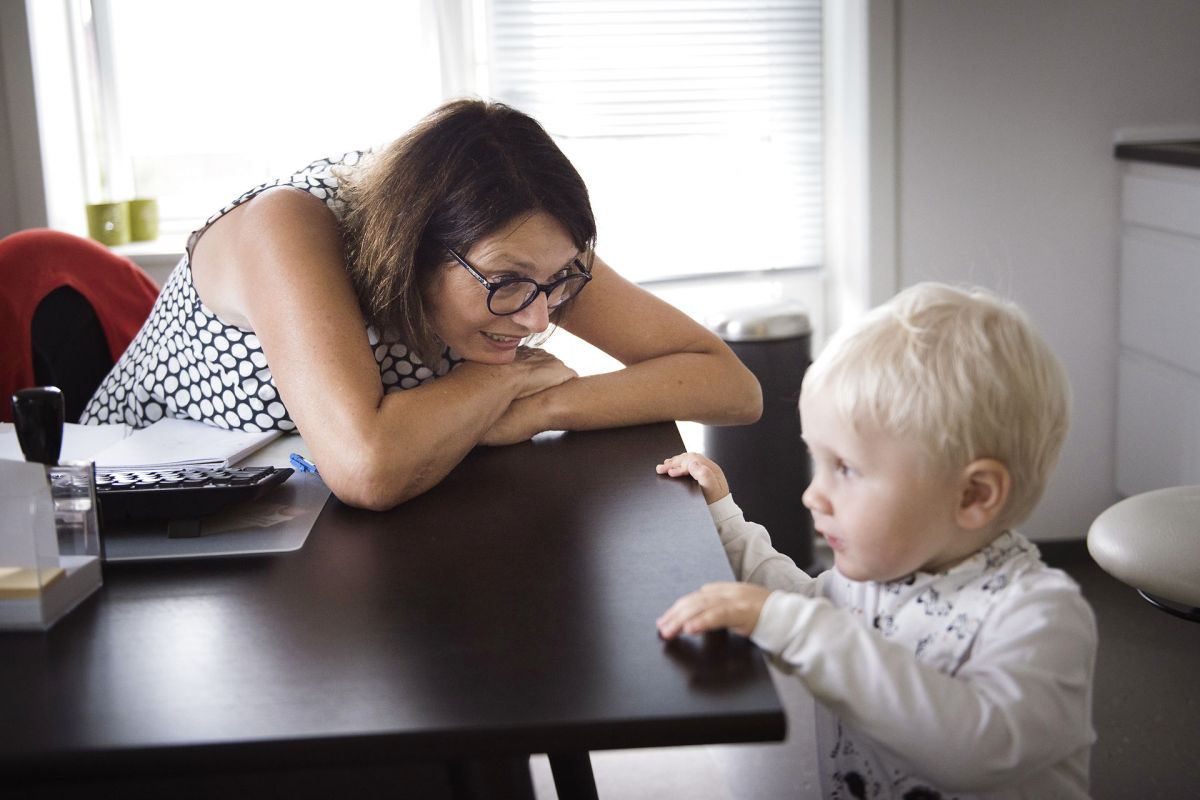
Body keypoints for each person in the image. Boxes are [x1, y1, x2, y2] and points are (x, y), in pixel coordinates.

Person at [81, 100, 762, 509]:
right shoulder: (290, 225)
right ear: (412, 247)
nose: (537, 318)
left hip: (301, 528)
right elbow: (367, 468)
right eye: (506, 284)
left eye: (556, 285)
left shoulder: (523, 243)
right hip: (130, 528)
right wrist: (502, 377)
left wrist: (539, 407)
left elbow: (731, 387)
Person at [654, 282, 1097, 798]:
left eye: (846, 468)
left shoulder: (1041, 617)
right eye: (818, 461)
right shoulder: (876, 577)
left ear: (973, 494)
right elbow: (793, 604)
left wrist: (793, 624)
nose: (814, 495)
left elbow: (976, 751)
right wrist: (725, 520)